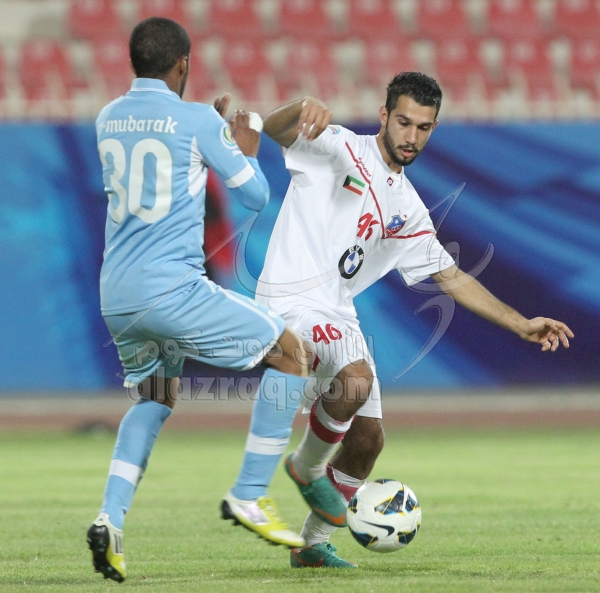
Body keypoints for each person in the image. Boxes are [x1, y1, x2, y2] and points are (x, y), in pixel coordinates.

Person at [223, 72, 574, 568]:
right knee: (356, 380)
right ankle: (306, 468)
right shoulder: (340, 146)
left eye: (423, 128)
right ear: (384, 116)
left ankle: (312, 545)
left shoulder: (408, 207)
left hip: (337, 311)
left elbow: (450, 276)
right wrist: (300, 107)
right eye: (404, 122)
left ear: (433, 129)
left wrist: (521, 323)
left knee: (368, 441)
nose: (411, 136)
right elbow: (276, 131)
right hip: (291, 299)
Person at [87, 17, 311, 583]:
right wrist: (243, 149)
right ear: (183, 63)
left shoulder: (107, 117)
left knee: (156, 398)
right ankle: (249, 495)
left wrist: (207, 137)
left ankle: (110, 519)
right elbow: (255, 196)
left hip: (117, 293)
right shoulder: (197, 121)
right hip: (170, 288)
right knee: (292, 354)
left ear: (134, 60)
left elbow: (160, 155)